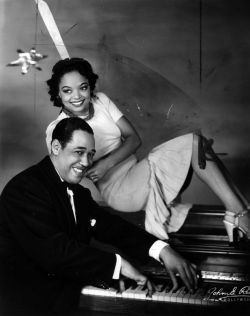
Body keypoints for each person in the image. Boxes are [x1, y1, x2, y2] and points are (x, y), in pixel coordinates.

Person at [0, 117, 197, 315]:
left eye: (90, 154)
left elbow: (111, 226)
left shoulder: (78, 193)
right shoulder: (25, 188)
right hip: (27, 306)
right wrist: (118, 265)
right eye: (79, 152)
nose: (86, 162)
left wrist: (162, 250)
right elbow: (55, 252)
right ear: (56, 147)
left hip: (63, 299)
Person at [45, 57, 250, 243]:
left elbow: (134, 139)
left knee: (199, 146)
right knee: (194, 144)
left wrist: (106, 163)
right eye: (67, 91)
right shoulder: (57, 129)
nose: (77, 96)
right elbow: (66, 176)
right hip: (119, 191)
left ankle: (240, 211)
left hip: (137, 171)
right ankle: (239, 214)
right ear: (57, 93)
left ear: (90, 86)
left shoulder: (101, 101)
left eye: (83, 87)